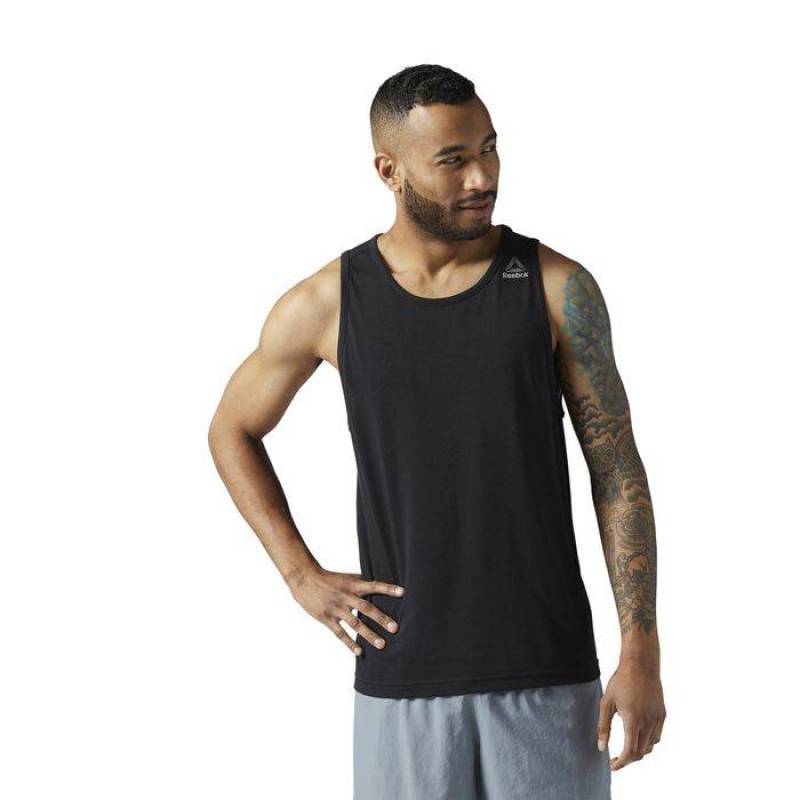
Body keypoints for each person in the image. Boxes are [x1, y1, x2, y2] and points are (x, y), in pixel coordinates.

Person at [208, 63, 666, 799]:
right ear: (389, 171)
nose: (482, 177)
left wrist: (640, 646)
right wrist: (300, 575)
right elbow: (233, 429)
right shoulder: (327, 303)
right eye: (453, 160)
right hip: (402, 673)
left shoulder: (556, 287)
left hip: (546, 670)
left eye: (489, 149)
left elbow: (616, 471)